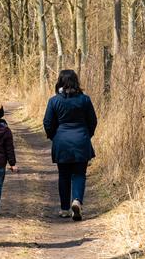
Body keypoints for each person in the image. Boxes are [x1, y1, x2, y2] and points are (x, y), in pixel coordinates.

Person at [43, 70, 98, 221]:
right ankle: (77, 201)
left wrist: (54, 136)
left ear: (60, 82)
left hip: (62, 141)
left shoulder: (54, 101)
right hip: (81, 140)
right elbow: (93, 121)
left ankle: (64, 209)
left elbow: (47, 123)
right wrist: (86, 135)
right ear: (76, 81)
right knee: (79, 174)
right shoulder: (85, 100)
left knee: (64, 175)